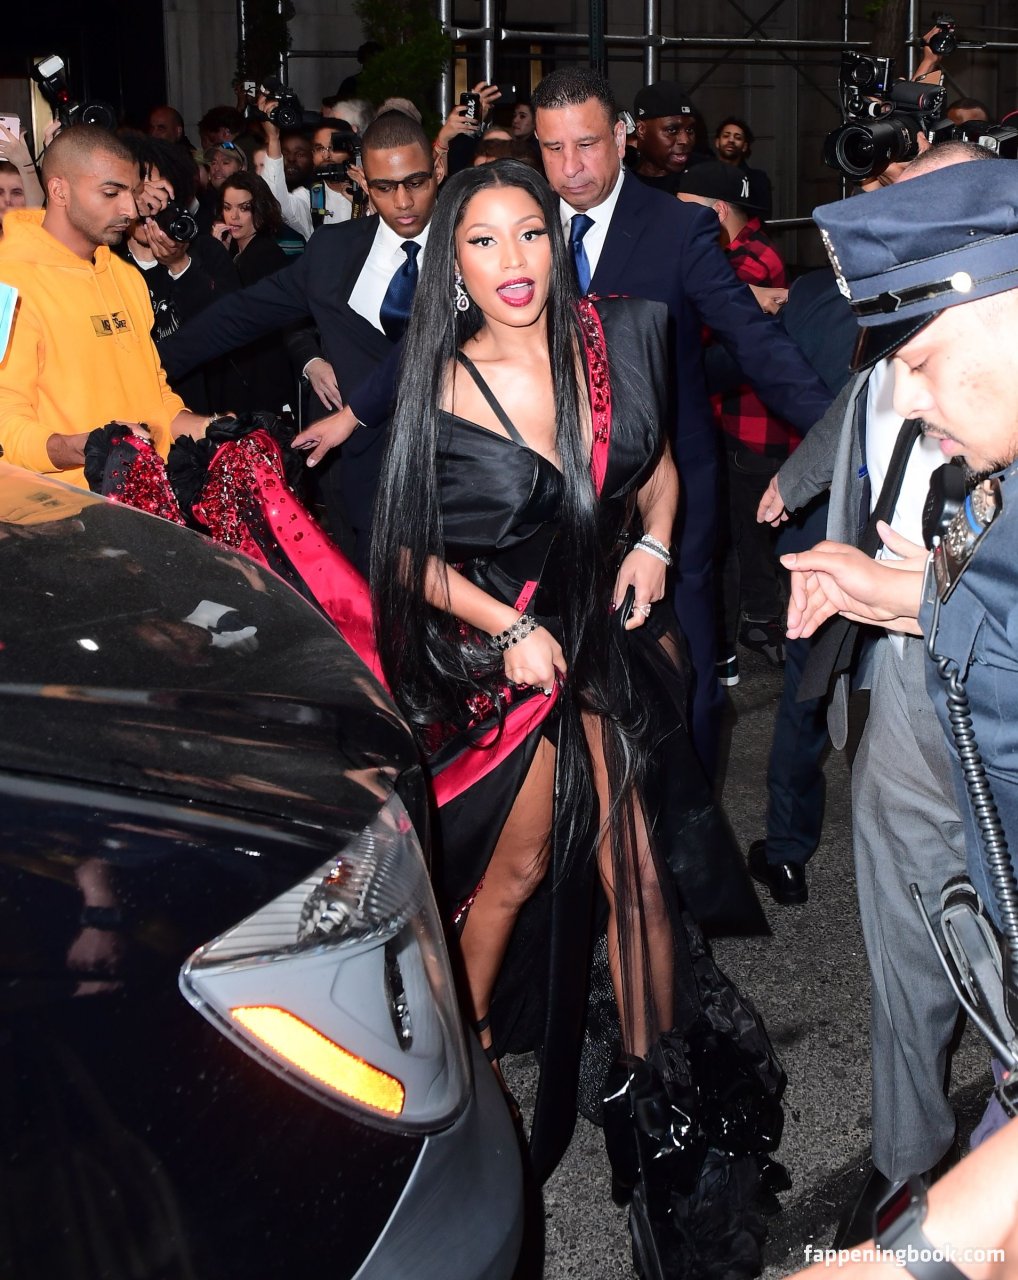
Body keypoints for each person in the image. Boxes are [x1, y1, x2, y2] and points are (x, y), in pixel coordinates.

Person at [360, 157, 780, 1277]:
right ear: (451, 264)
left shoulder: (616, 339)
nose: (513, 261)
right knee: (517, 869)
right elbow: (403, 557)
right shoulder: (439, 383)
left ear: (560, 242)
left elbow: (659, 472)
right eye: (483, 240)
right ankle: (466, 1052)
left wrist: (653, 545)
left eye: (531, 233)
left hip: (612, 653)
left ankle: (659, 1107)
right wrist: (505, 626)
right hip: (515, 672)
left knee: (637, 873)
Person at [761, 142, 996, 1244]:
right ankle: (906, 1162)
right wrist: (884, 589)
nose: (904, 385)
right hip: (905, 672)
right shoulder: (900, 353)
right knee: (906, 931)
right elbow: (855, 408)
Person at [530, 66, 833, 777]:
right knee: (569, 667)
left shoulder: (678, 227)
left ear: (622, 138)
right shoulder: (520, 223)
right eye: (552, 148)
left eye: (587, 144)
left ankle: (687, 819)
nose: (571, 168)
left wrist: (840, 432)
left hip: (672, 487)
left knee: (684, 668)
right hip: (553, 489)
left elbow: (752, 341)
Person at [159, 110, 440, 566]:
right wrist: (151, 366)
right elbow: (242, 315)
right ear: (363, 180)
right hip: (369, 480)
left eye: (416, 182)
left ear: (437, 169)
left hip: (460, 473)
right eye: (385, 187)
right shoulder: (333, 250)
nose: (403, 201)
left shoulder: (474, 241)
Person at [0, 125, 208, 487]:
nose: (129, 209)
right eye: (111, 193)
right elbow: (6, 423)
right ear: (59, 190)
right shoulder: (9, 282)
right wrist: (87, 447)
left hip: (148, 496)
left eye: (132, 192)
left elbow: (155, 397)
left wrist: (212, 428)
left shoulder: (126, 278)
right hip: (64, 507)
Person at [678, 159, 797, 680]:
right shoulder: (746, 250)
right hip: (743, 420)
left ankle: (761, 625)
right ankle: (758, 624)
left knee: (748, 537)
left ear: (718, 210)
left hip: (753, 426)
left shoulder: (749, 258)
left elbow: (709, 323)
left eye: (688, 210)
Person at [209, 173, 301, 415]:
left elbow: (236, 312)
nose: (234, 216)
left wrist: (218, 261)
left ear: (260, 210)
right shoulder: (237, 251)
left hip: (261, 376)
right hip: (245, 372)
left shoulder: (265, 255)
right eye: (227, 207)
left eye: (244, 208)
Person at [629, 82, 701, 192]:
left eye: (689, 130)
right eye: (671, 130)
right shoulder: (618, 180)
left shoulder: (703, 179)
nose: (685, 140)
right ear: (641, 129)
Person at [714, 116, 773, 221]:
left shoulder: (757, 179)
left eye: (738, 138)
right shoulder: (704, 175)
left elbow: (763, 216)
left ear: (745, 146)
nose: (731, 140)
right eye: (726, 136)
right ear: (717, 142)